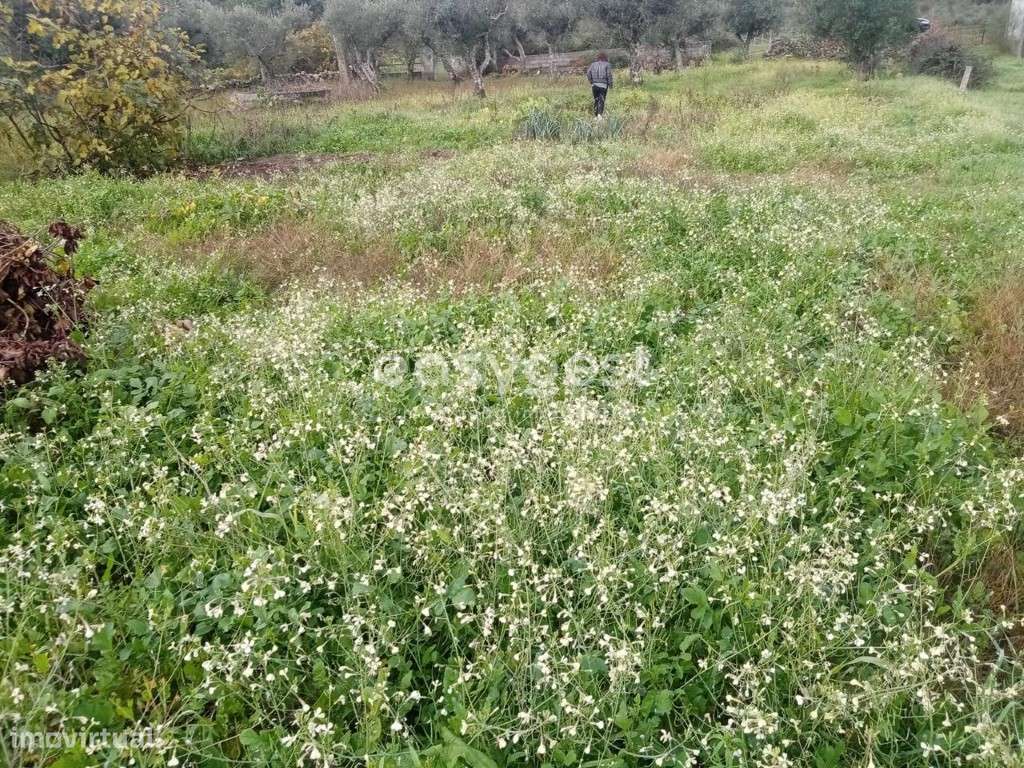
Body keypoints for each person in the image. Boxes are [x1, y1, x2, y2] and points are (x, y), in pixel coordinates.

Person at [586, 53, 613, 119]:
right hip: (603, 85)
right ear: (605, 58)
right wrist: (610, 85)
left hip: (594, 85)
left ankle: (595, 116)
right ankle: (599, 115)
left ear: (598, 58)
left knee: (596, 100)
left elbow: (588, 73)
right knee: (601, 100)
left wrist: (591, 81)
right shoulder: (607, 64)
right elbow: (609, 75)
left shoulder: (593, 64)